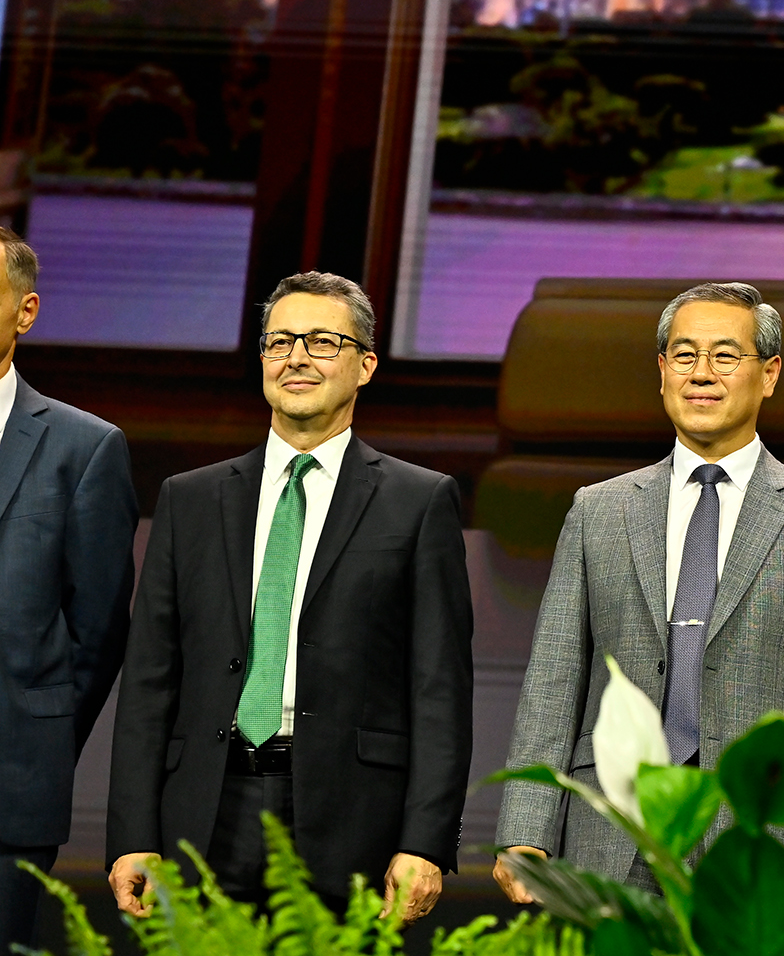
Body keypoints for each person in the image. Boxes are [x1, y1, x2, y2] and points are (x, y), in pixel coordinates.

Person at [106, 273, 472, 924]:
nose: (295, 356)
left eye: (320, 341)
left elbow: (438, 687)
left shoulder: (418, 501)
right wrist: (134, 831)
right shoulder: (189, 498)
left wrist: (424, 840)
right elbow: (149, 683)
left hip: (351, 814)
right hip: (204, 810)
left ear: (365, 365)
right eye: (279, 341)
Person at [495, 281, 784, 894]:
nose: (702, 373)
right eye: (684, 355)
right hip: (613, 829)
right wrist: (525, 828)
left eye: (726, 356)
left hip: (763, 834)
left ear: (770, 373)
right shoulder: (600, 510)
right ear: (662, 371)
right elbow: (554, 679)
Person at [0, 228, 137, 949]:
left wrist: (36, 735)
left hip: (9, 793)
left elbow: (98, 631)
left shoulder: (85, 448)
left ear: (26, 312)